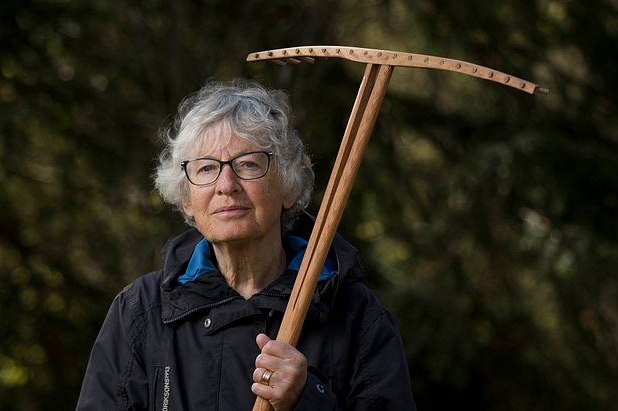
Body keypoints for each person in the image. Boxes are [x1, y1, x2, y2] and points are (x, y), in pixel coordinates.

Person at [76, 78, 416, 410]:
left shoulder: (355, 315)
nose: (227, 184)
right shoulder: (140, 312)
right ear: (186, 200)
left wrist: (307, 399)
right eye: (207, 168)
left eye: (248, 164)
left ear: (288, 187)